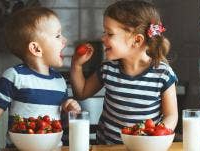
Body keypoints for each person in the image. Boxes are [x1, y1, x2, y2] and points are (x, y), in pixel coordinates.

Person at [70, 1, 178, 144]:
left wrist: (157, 137)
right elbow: (81, 93)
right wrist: (76, 65)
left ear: (137, 40)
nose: (103, 38)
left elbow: (171, 115)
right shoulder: (108, 68)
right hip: (107, 147)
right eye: (104, 32)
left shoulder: (163, 74)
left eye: (110, 34)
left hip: (143, 148)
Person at [0, 7, 81, 147]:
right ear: (36, 49)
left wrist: (70, 111)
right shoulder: (14, 76)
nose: (65, 40)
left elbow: (62, 123)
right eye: (58, 36)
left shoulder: (59, 81)